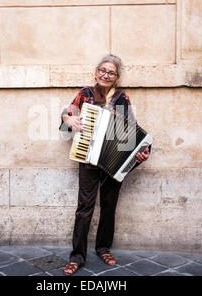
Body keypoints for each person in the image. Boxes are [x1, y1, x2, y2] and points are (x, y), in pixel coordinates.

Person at [59, 54, 150, 275]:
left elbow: (132, 133)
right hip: (88, 161)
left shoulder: (122, 98)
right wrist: (67, 119)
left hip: (113, 164)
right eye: (103, 70)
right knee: (84, 210)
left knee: (109, 208)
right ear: (96, 71)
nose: (105, 75)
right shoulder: (85, 94)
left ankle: (103, 248)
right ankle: (77, 256)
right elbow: (66, 116)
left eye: (111, 72)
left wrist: (141, 154)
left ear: (117, 77)